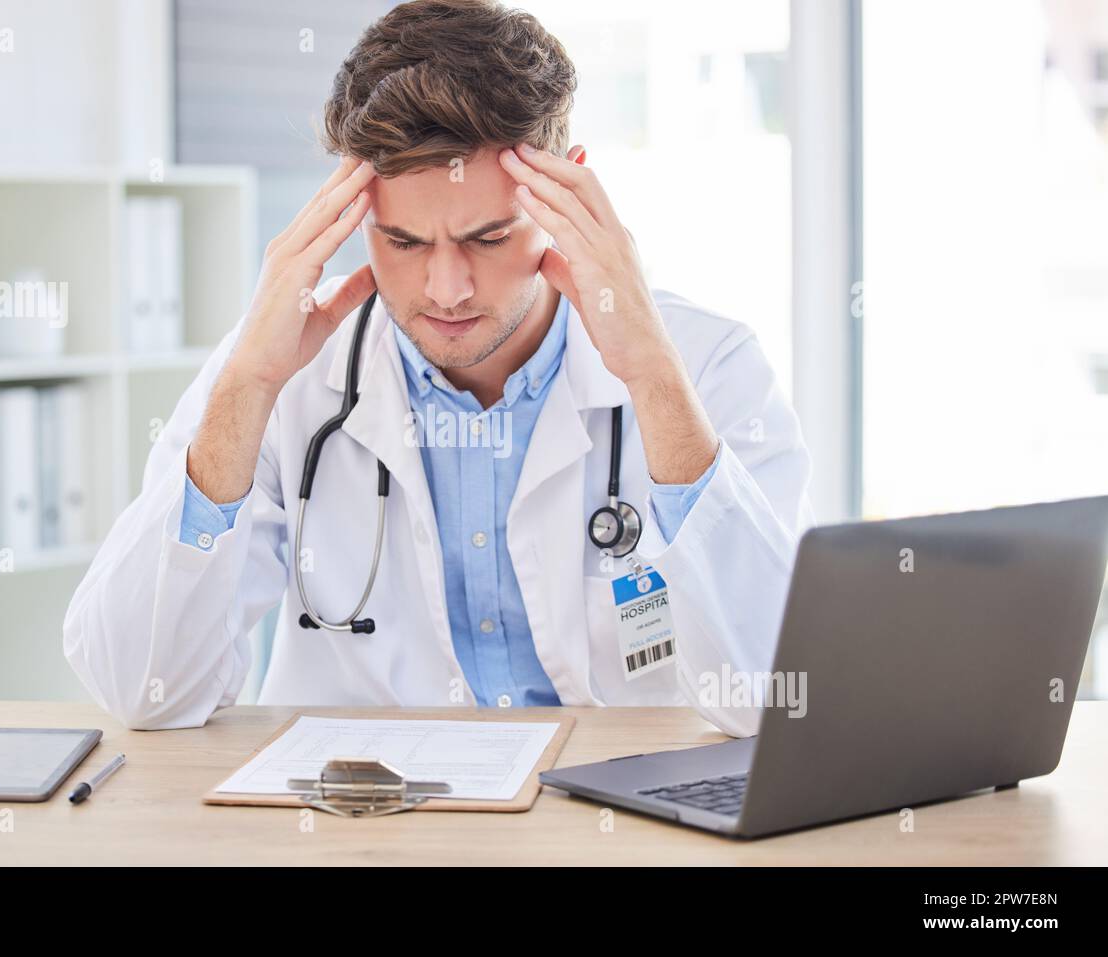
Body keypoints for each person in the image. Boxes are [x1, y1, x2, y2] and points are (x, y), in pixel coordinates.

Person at [64, 0, 812, 736]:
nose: (446, 290)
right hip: (362, 834)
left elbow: (773, 693)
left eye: (487, 238)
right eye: (404, 242)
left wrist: (651, 378)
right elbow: (141, 689)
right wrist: (246, 387)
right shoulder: (280, 371)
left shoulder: (706, 366)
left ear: (567, 196)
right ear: (356, 214)